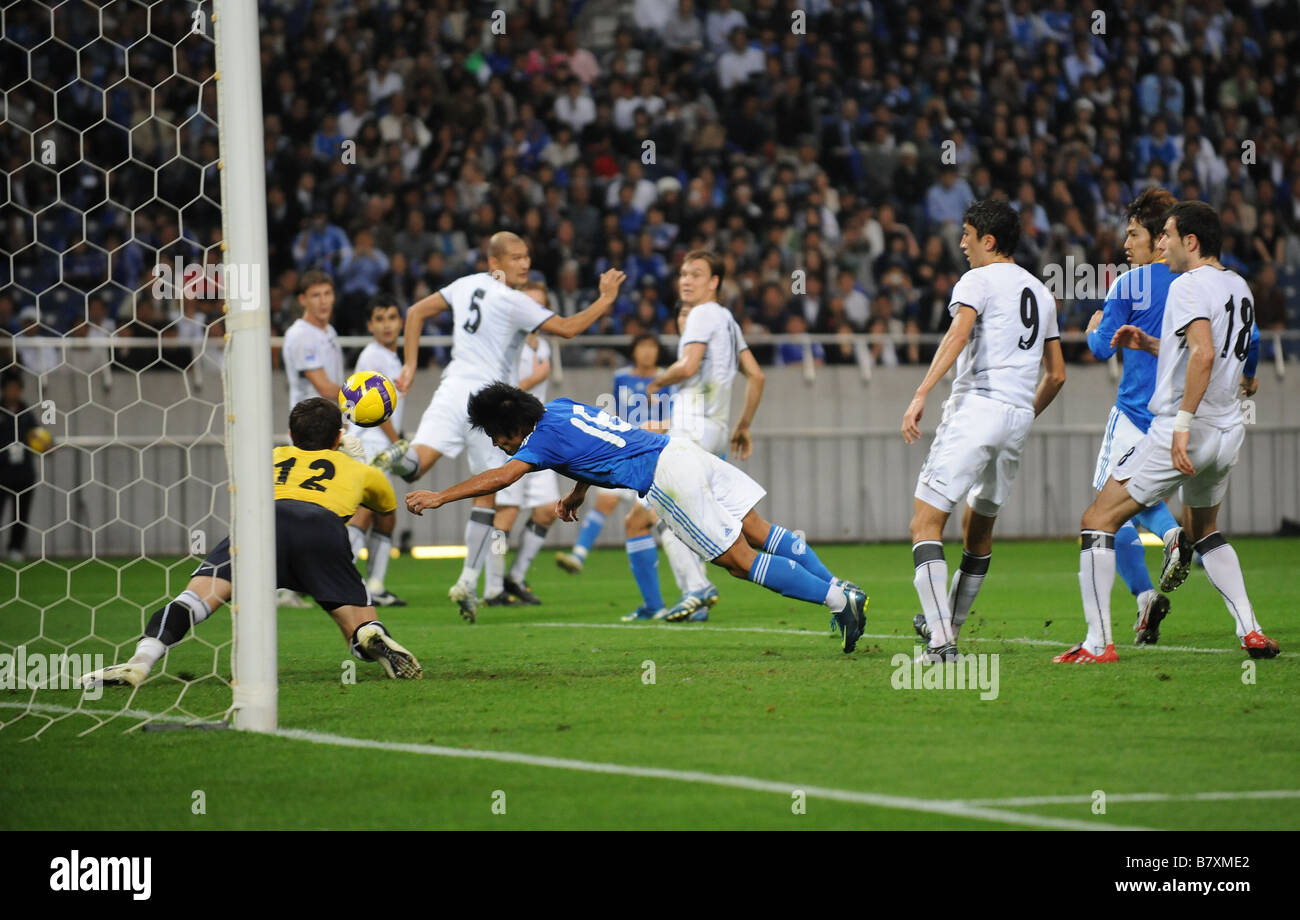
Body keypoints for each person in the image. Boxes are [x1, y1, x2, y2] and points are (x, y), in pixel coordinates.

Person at [405, 383, 869, 653]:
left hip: (665, 476)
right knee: (759, 531)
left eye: (495, 436)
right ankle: (844, 590)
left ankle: (835, 600)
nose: (498, 445)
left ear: (511, 429)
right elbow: (597, 447)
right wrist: (577, 492)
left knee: (738, 561)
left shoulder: (537, 442)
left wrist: (440, 496)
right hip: (681, 450)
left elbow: (502, 479)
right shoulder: (563, 407)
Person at [1060, 201, 1278, 663]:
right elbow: (1215, 353)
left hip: (1183, 428)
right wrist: (1150, 343)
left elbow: (1200, 356)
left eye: (1169, 236)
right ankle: (1251, 630)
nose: (1162, 244)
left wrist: (1180, 426)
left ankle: (1097, 644)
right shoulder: (1238, 286)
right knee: (1205, 531)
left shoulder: (1186, 286)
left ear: (1190, 242)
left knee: (1097, 520)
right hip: (1227, 430)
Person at [372, 231, 625, 622]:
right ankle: (469, 581)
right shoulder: (514, 301)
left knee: (416, 465)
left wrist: (408, 365)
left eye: (527, 256)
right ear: (495, 264)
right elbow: (570, 328)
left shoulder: (465, 284)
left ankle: (393, 456)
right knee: (488, 488)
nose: (525, 263)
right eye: (516, 257)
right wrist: (605, 299)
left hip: (451, 385)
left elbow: (416, 312)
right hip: (490, 402)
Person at [84, 398, 421, 688]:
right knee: (356, 620)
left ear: (291, 435)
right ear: (338, 436)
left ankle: (141, 660)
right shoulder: (363, 472)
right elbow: (383, 508)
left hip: (262, 524)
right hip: (321, 529)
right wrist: (356, 463)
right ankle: (369, 635)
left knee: (195, 599)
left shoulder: (270, 456)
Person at [902, 199, 1067, 662]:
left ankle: (940, 644)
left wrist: (921, 392)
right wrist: (1022, 415)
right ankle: (947, 627)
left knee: (925, 523)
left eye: (967, 234)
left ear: (987, 240)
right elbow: (1056, 375)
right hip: (1016, 417)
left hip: (977, 408)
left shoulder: (976, 280)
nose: (962, 244)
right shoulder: (1041, 291)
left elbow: (957, 334)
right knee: (978, 532)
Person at [629, 250, 765, 623]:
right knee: (689, 513)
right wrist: (742, 425)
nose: (686, 280)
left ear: (714, 281)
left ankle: (696, 589)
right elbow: (757, 376)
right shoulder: (729, 321)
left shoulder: (703, 314)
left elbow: (687, 365)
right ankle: (697, 597)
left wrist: (657, 381)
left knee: (662, 511)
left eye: (696, 274)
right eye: (683, 273)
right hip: (716, 431)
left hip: (692, 429)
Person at [1081, 187, 1181, 644]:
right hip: (1182, 419)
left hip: (1134, 416)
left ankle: (1098, 637)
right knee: (1134, 502)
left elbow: (1103, 349)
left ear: (1157, 236)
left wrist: (1091, 328)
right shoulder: (1193, 281)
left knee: (1105, 511)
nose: (1126, 244)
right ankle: (1149, 595)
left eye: (1133, 234)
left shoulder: (1130, 284)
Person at [553, 332, 671, 576]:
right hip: (622, 449)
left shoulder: (666, 378)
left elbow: (671, 416)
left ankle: (685, 565)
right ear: (634, 351)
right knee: (605, 501)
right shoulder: (621, 378)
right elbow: (615, 410)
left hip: (652, 453)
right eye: (643, 346)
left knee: (654, 515)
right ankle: (578, 556)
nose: (647, 352)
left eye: (652, 346)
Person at [484, 281, 562, 606]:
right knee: (507, 514)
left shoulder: (543, 347)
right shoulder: (507, 344)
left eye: (540, 305)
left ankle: (515, 577)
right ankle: (492, 588)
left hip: (539, 438)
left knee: (547, 511)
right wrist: (533, 380)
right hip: (512, 441)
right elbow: (497, 392)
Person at [276, 269, 345, 610]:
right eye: (315, 295)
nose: (323, 301)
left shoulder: (327, 331)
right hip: (307, 431)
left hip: (326, 428)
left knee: (322, 506)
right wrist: (368, 390)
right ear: (302, 300)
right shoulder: (301, 335)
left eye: (327, 293)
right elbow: (324, 388)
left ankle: (301, 580)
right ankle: (285, 585)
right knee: (307, 507)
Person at [344, 297, 407, 607]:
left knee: (387, 516)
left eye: (392, 317)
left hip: (379, 445)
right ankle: (340, 575)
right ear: (370, 325)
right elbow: (377, 408)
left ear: (400, 322)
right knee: (367, 509)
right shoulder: (373, 356)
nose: (386, 324)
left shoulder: (392, 358)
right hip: (368, 443)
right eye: (380, 318)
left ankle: (377, 586)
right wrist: (398, 441)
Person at [0, 372, 41, 563]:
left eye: (16, 388)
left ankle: (15, 549)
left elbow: (37, 436)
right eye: (10, 388)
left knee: (21, 515)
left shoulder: (26, 412)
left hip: (24, 474)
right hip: (2, 473)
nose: (13, 392)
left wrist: (46, 446)